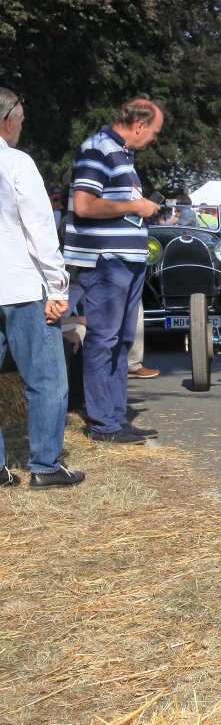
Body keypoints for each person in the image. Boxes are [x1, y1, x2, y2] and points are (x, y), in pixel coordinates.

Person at [66, 97, 164, 444]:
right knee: (104, 339)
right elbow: (84, 205)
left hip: (126, 260)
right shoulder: (97, 149)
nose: (153, 138)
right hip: (107, 261)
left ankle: (115, 417)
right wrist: (136, 205)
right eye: (154, 131)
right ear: (139, 124)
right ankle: (103, 424)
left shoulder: (121, 154)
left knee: (121, 340)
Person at [0, 86, 85, 487]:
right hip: (21, 286)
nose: (21, 126)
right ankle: (45, 466)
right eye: (20, 119)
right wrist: (57, 287)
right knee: (46, 379)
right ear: (7, 121)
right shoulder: (16, 162)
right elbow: (40, 228)